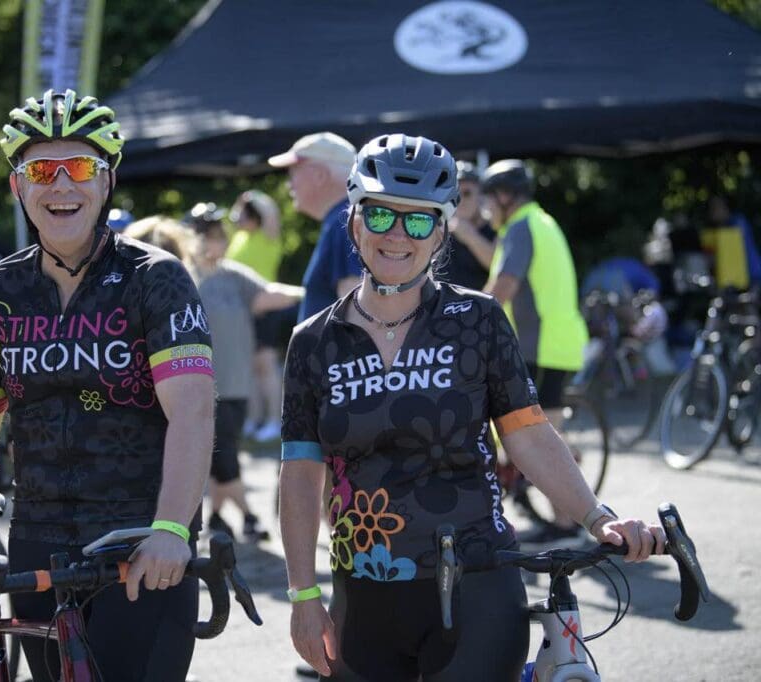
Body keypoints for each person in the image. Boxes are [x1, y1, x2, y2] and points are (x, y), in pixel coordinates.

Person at [279, 134, 666, 682]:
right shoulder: (313, 342)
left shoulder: (478, 321)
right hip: (361, 595)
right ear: (355, 220)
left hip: (478, 585)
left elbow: (528, 435)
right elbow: (300, 472)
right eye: (381, 214)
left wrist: (597, 517)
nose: (398, 234)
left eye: (419, 221)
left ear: (441, 232)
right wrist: (302, 594)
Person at [0, 89, 215, 682]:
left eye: (81, 169)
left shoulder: (156, 279)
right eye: (43, 170)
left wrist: (173, 528)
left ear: (107, 181)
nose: (62, 185)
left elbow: (192, 412)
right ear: (19, 186)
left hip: (141, 540)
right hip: (39, 541)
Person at [481, 159, 590, 546]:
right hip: (554, 343)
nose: (486, 209)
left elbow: (503, 287)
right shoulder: (541, 221)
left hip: (539, 346)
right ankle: (567, 506)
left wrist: (464, 321)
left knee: (539, 438)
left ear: (505, 196)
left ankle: (566, 524)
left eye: (488, 200)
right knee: (549, 433)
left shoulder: (521, 227)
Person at [185, 202, 303, 542]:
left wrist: (314, 293)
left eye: (221, 235)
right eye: (211, 235)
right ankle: (249, 516)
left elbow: (269, 295)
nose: (220, 241)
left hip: (236, 384)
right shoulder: (182, 277)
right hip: (200, 386)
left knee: (223, 452)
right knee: (223, 454)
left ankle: (217, 517)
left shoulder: (232, 274)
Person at [268, 132, 362, 322]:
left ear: (320, 175)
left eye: (293, 173)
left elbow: (360, 313)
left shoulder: (344, 222)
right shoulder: (344, 219)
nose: (289, 185)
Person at [226, 190, 293, 442]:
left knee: (266, 366)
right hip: (242, 313)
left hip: (266, 310)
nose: (238, 218)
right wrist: (240, 205)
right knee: (250, 369)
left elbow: (271, 213)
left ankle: (275, 422)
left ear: (255, 218)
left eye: (244, 215)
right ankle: (253, 420)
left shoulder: (267, 237)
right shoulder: (238, 238)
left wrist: (250, 196)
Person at [441, 161, 496, 289]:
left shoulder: (495, 227)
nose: (461, 201)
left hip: (482, 300)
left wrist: (470, 236)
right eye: (455, 195)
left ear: (480, 196)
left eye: (467, 193)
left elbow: (500, 267)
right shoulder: (441, 230)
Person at [701, 195, 761, 291]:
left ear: (725, 208)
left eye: (715, 208)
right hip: (736, 280)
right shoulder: (716, 230)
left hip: (752, 276)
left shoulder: (738, 222)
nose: (712, 212)